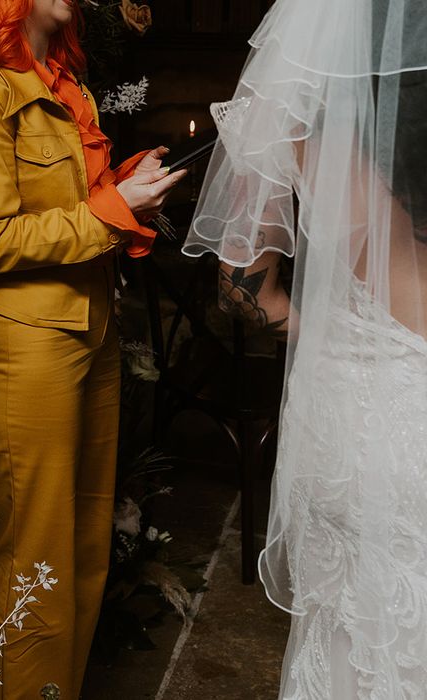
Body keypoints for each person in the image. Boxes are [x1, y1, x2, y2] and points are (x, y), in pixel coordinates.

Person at [0, 0, 185, 696]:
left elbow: (74, 205)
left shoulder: (66, 82)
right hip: (26, 344)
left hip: (91, 331)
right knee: (33, 551)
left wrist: (127, 189)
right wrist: (113, 209)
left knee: (86, 542)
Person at [184, 0, 427, 696]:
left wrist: (314, 325)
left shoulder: (301, 112)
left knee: (350, 636)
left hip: (350, 420)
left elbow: (245, 284)